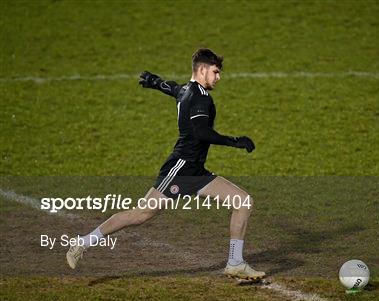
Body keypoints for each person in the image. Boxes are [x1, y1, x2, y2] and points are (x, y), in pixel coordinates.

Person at [66, 48, 265, 280]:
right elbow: (202, 132)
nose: (218, 77)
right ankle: (82, 243)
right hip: (180, 170)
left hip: (196, 172)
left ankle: (235, 262)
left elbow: (173, 89)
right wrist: (235, 141)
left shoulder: (187, 90)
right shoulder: (200, 97)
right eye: (215, 72)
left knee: (243, 202)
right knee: (141, 213)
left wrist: (155, 82)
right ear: (202, 70)